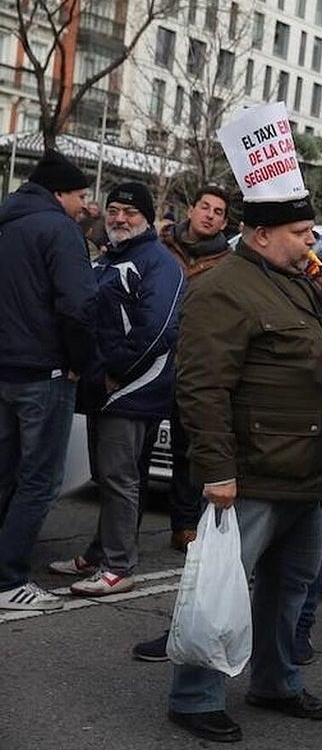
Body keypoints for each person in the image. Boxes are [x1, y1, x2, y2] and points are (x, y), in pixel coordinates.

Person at [167, 189, 322, 743]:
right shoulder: (223, 288)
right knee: (219, 589)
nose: (310, 242)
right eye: (300, 233)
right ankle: (194, 697)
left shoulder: (298, 282)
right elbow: (202, 386)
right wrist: (217, 470)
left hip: (307, 473)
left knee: (290, 587)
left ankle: (276, 681)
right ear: (262, 234)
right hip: (253, 473)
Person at [48, 182, 185, 597]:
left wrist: (115, 373)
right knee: (107, 476)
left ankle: (119, 565)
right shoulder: (111, 258)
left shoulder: (159, 263)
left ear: (147, 217)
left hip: (131, 389)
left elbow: (158, 328)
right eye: (114, 210)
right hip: (102, 385)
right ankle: (99, 553)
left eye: (130, 212)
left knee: (120, 477)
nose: (120, 218)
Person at [0, 150, 98, 612]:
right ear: (59, 194)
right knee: (39, 480)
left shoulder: (7, 221)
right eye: (80, 195)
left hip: (6, 370)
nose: (85, 205)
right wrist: (79, 361)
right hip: (45, 372)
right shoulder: (60, 231)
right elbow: (78, 305)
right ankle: (8, 580)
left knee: (5, 474)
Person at [159, 184, 232, 552]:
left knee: (187, 450)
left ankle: (185, 526)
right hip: (151, 359)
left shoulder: (227, 263)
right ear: (191, 209)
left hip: (194, 365)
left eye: (218, 212)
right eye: (205, 207)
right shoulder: (161, 247)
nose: (210, 215)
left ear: (224, 223)